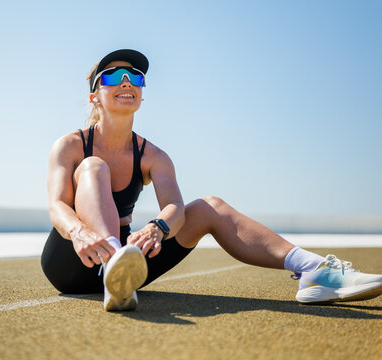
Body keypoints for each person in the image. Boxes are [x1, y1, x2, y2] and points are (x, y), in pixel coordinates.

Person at [41, 49, 382, 311]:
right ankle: (114, 263)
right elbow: (57, 205)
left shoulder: (154, 156)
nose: (127, 82)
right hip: (73, 259)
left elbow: (175, 208)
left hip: (128, 269)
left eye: (135, 77)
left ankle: (316, 272)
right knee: (93, 167)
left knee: (209, 206)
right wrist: (79, 232)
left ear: (142, 94)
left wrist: (158, 227)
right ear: (94, 95)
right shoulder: (71, 145)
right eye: (113, 77)